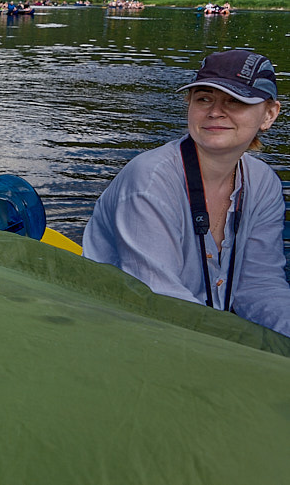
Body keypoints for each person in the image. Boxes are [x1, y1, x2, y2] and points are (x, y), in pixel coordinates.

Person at [83, 49, 290, 337]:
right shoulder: (151, 180)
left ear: (269, 114)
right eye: (203, 98)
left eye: (236, 100)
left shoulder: (263, 182)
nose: (216, 111)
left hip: (198, 333)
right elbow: (157, 298)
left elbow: (260, 285)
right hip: (120, 327)